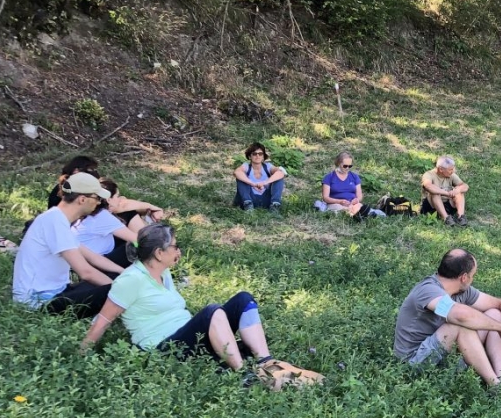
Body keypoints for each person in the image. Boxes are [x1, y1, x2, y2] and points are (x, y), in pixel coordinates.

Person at [77, 224, 320, 387]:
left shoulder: (164, 273)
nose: (179, 251)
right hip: (164, 349)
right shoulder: (130, 280)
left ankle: (265, 362)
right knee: (212, 311)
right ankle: (244, 377)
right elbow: (103, 321)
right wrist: (79, 359)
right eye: (175, 247)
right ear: (159, 253)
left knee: (243, 299)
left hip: (188, 339)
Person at [393, 249, 501, 386]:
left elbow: (500, 304)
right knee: (458, 325)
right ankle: (495, 386)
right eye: (473, 275)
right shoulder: (428, 290)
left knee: (495, 314)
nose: (473, 279)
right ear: (464, 277)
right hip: (415, 361)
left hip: (443, 353)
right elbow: (460, 316)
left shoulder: (461, 291)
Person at [12, 173, 124, 317]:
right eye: (97, 198)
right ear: (82, 199)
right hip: (39, 302)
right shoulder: (54, 221)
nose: (98, 203)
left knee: (120, 279)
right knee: (114, 291)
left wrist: (126, 274)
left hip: (57, 291)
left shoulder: (57, 218)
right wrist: (120, 290)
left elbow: (94, 258)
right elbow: (86, 272)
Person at [72, 178, 144, 272]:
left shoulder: (90, 212)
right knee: (140, 245)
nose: (120, 200)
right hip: (97, 262)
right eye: (117, 196)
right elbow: (136, 240)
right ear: (109, 200)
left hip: (84, 257)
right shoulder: (101, 216)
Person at [316, 152, 386, 218]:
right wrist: (339, 201)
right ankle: (361, 215)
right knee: (342, 209)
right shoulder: (329, 177)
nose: (347, 168)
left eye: (350, 166)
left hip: (352, 203)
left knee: (357, 206)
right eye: (345, 166)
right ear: (338, 163)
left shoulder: (354, 177)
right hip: (335, 204)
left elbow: (359, 196)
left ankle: (360, 214)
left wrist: (356, 200)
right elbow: (326, 198)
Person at [233, 143, 286, 212]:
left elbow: (281, 173)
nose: (257, 156)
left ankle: (275, 205)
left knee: (278, 177)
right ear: (249, 156)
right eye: (254, 154)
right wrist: (253, 184)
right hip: (250, 198)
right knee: (241, 177)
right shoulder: (246, 166)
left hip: (265, 199)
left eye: (260, 154)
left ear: (263, 156)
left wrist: (264, 183)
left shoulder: (268, 166)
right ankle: (248, 205)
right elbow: (237, 173)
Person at [420, 156, 469, 226]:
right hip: (431, 206)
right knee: (435, 193)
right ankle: (446, 218)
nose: (453, 171)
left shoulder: (451, 175)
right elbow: (428, 186)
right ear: (441, 169)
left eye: (453, 169)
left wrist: (458, 190)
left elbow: (465, 186)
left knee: (459, 192)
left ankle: (461, 217)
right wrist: (446, 193)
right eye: (450, 169)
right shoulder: (428, 175)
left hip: (447, 204)